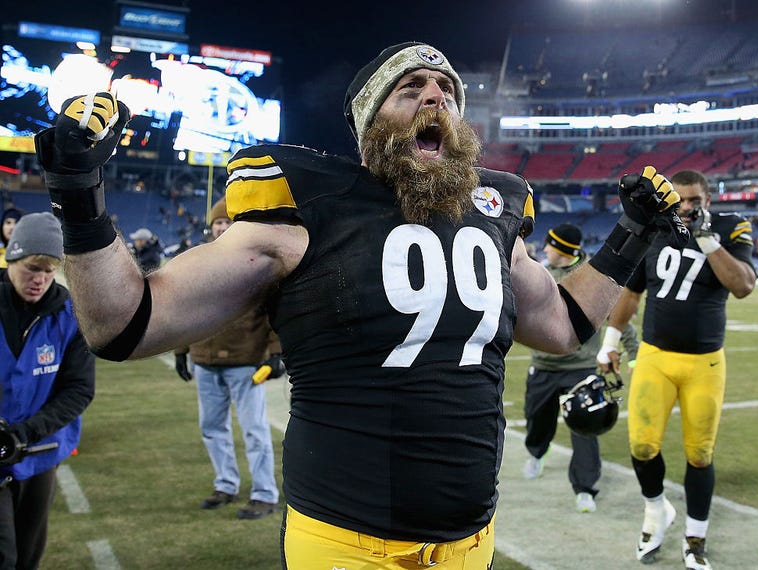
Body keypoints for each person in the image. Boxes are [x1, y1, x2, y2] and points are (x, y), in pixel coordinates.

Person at [32, 45, 686, 569]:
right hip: (344, 544)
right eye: (413, 89)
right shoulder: (302, 210)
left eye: (449, 92)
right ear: (371, 123)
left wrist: (629, 234)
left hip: (467, 543)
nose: (437, 96)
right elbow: (124, 323)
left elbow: (566, 325)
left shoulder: (493, 215)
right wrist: (79, 197)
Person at [597, 169, 755, 569]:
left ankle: (696, 537)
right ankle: (656, 512)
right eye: (679, 200)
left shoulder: (729, 227)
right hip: (655, 356)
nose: (685, 207)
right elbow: (631, 295)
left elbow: (743, 285)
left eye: (694, 201)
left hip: (705, 362)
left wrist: (706, 238)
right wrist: (610, 344)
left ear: (708, 200)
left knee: (700, 454)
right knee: (642, 446)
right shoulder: (658, 228)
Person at [173, 196, 283, 519]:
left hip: (246, 360)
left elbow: (272, 313)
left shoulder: (256, 261)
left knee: (254, 430)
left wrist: (275, 354)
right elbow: (183, 308)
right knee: (211, 427)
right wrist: (181, 351)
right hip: (204, 359)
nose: (221, 227)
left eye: (226, 222)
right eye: (217, 223)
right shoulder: (194, 261)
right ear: (211, 227)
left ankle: (264, 494)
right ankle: (226, 484)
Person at [0, 212, 95, 569]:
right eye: (31, 268)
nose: (39, 279)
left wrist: (26, 432)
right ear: (11, 256)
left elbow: (79, 389)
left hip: (40, 451)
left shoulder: (71, 314)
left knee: (27, 555)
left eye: (49, 270)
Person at [522, 223, 603, 514]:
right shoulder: (539, 275)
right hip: (543, 365)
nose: (544, 249)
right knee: (537, 420)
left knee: (585, 427)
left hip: (581, 367)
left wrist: (623, 350)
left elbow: (617, 315)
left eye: (550, 245)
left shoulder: (591, 278)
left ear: (564, 250)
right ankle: (537, 452)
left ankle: (585, 488)